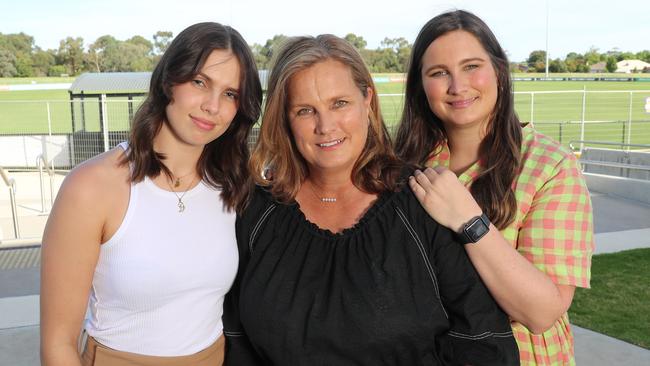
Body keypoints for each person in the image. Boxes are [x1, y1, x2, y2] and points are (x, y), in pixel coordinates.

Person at [222, 34, 519, 365]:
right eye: (305, 110)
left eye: (340, 103)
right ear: (285, 119)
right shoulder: (255, 211)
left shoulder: (425, 202)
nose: (325, 125)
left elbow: (483, 341)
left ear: (367, 99)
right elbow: (235, 338)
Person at [40, 22, 262, 366]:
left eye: (230, 94)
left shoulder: (233, 185)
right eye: (200, 82)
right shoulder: (92, 187)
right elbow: (58, 345)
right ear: (167, 80)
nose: (212, 106)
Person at [394, 10, 594, 366]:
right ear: (420, 86)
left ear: (499, 70)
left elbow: (541, 313)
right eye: (439, 73)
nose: (458, 86)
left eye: (471, 66)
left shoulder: (550, 165)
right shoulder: (404, 165)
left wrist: (469, 219)